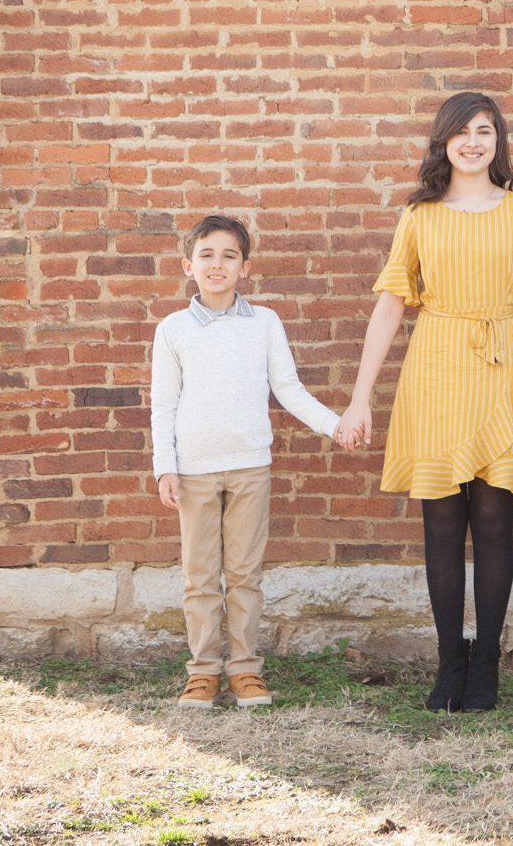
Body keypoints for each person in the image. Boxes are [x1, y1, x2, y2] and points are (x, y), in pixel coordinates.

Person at [337, 92, 513, 714]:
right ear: (444, 142)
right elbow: (390, 306)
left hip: (499, 367)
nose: (473, 142)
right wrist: (359, 398)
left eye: (485, 131)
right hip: (435, 370)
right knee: (441, 523)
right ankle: (449, 660)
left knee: (494, 518)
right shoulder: (419, 216)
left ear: (498, 141)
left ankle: (486, 664)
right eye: (462, 132)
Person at [151, 214, 352, 709]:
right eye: (206, 255)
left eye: (229, 255)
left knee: (244, 574)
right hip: (194, 470)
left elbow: (288, 389)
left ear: (245, 266)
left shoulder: (264, 323)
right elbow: (164, 404)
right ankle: (203, 672)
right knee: (200, 576)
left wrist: (335, 424)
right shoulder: (173, 329)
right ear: (188, 265)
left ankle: (244, 669)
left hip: (249, 467)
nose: (217, 265)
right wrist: (164, 466)